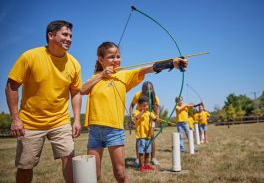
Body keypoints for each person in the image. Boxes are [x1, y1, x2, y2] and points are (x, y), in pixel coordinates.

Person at [81, 41, 188, 182]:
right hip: (95, 131)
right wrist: (102, 75)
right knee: (93, 175)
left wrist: (171, 63)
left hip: (114, 130)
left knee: (120, 174)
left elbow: (146, 69)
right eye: (111, 57)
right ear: (101, 60)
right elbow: (82, 90)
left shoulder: (123, 75)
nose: (116, 60)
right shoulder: (95, 77)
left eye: (118, 56)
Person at [5, 20, 82, 183]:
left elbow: (76, 93)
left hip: (60, 120)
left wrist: (76, 119)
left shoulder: (74, 64)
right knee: (25, 166)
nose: (69, 39)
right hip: (31, 122)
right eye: (65, 34)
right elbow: (11, 87)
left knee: (69, 157)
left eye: (71, 36)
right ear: (51, 35)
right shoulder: (30, 56)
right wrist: (15, 119)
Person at [130, 81, 160, 167]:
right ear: (143, 89)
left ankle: (153, 158)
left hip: (150, 117)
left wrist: (157, 116)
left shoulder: (155, 97)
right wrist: (132, 116)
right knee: (140, 138)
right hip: (140, 117)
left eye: (151, 89)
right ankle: (137, 159)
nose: (149, 91)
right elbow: (132, 105)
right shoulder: (137, 95)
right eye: (147, 89)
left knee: (151, 136)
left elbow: (157, 108)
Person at [132, 96, 157, 172]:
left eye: (147, 105)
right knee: (141, 152)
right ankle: (141, 166)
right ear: (139, 105)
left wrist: (155, 115)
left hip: (148, 136)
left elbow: (155, 119)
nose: (146, 107)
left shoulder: (149, 113)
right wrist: (142, 111)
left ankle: (147, 164)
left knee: (147, 151)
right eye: (144, 105)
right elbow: (136, 118)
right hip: (141, 136)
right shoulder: (136, 112)